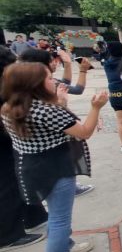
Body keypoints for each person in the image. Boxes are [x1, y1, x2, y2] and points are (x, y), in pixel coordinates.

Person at [1, 62, 108, 252]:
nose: (54, 81)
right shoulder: (46, 111)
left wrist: (59, 101)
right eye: (49, 78)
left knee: (55, 214)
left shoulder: (10, 108)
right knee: (59, 219)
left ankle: (65, 245)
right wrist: (96, 107)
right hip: (56, 167)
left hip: (32, 166)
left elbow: (48, 123)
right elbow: (84, 131)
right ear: (35, 85)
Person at [18, 49, 95, 196]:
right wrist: (61, 104)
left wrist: (67, 64)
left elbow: (64, 84)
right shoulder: (44, 106)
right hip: (52, 148)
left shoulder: (19, 90)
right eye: (51, 60)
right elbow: (85, 131)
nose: (55, 62)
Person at [0, 47, 47, 252]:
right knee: (7, 184)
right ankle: (8, 235)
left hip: (13, 140)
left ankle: (34, 216)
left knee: (21, 178)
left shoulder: (8, 83)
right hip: (4, 142)